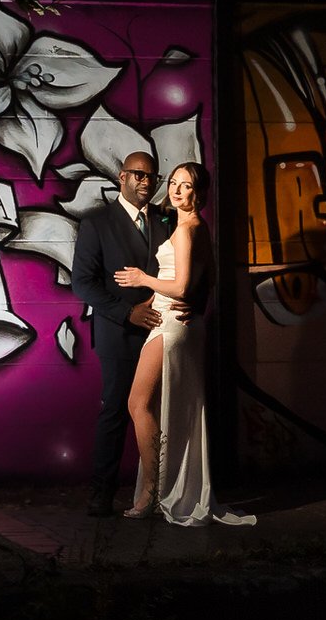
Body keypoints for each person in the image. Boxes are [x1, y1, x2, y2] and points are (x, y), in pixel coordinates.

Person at [113, 164, 256, 525]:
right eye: (174, 183)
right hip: (179, 321)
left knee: (138, 403)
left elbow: (179, 287)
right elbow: (204, 283)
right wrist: (196, 304)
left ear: (199, 193)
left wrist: (142, 278)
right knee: (161, 408)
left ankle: (150, 492)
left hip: (171, 325)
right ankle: (161, 489)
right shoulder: (192, 227)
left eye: (187, 186)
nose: (177, 191)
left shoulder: (188, 230)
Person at [71, 151, 175, 517]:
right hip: (119, 334)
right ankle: (102, 493)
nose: (146, 182)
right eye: (138, 175)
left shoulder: (168, 220)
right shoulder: (97, 223)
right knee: (115, 410)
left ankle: (161, 493)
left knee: (162, 411)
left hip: (163, 331)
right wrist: (127, 313)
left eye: (152, 177)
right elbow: (82, 283)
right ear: (121, 177)